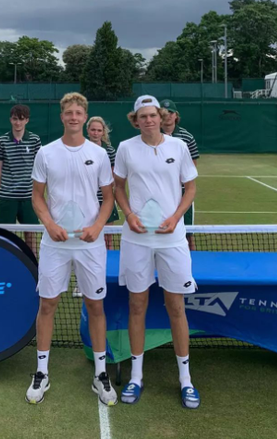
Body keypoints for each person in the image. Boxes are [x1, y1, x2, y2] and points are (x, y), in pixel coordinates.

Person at [25, 92, 118, 406]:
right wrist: (49, 224)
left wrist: (98, 226)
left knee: (95, 306)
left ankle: (101, 374)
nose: (74, 117)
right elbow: (37, 196)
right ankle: (41, 371)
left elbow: (109, 197)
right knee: (47, 304)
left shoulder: (99, 154)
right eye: (69, 113)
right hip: (55, 243)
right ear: (62, 116)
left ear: (85, 115)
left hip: (90, 245)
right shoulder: (46, 153)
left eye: (79, 112)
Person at [114, 95, 200, 409]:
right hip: (136, 238)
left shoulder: (178, 147)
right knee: (137, 305)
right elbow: (117, 187)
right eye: (142, 116)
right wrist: (129, 215)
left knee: (175, 306)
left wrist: (175, 218)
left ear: (161, 117)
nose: (148, 120)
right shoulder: (125, 148)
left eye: (152, 115)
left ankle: (186, 380)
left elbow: (190, 187)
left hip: (172, 238)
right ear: (135, 120)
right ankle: (136, 377)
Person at [0, 104, 41, 254]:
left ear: (27, 120)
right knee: (7, 236)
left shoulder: (34, 140)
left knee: (31, 235)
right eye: (15, 119)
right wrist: (9, 189)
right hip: (7, 199)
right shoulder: (1, 141)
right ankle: (10, 266)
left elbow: (39, 169)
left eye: (21, 119)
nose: (18, 123)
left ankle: (33, 266)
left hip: (28, 199)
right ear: (10, 120)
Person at [160, 99, 199, 250]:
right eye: (165, 113)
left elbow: (192, 166)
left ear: (176, 116)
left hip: (182, 193)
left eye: (171, 113)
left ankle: (191, 261)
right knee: (159, 231)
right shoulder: (152, 137)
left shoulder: (187, 137)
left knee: (188, 233)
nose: (168, 116)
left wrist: (182, 183)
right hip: (160, 192)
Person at [87, 116, 120, 250]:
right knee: (88, 235)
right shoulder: (82, 149)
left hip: (106, 200)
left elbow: (114, 176)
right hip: (87, 200)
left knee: (107, 237)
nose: (95, 133)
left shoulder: (110, 151)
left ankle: (107, 264)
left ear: (103, 132)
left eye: (99, 130)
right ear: (88, 130)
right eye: (93, 130)